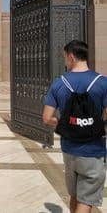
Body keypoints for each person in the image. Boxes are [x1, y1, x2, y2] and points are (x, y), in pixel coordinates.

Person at [42, 40, 107, 213]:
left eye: (65, 57)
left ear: (71, 56)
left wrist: (67, 123)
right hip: (93, 151)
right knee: (86, 200)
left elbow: (47, 118)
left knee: (75, 196)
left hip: (69, 149)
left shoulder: (59, 83)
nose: (65, 61)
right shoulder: (102, 83)